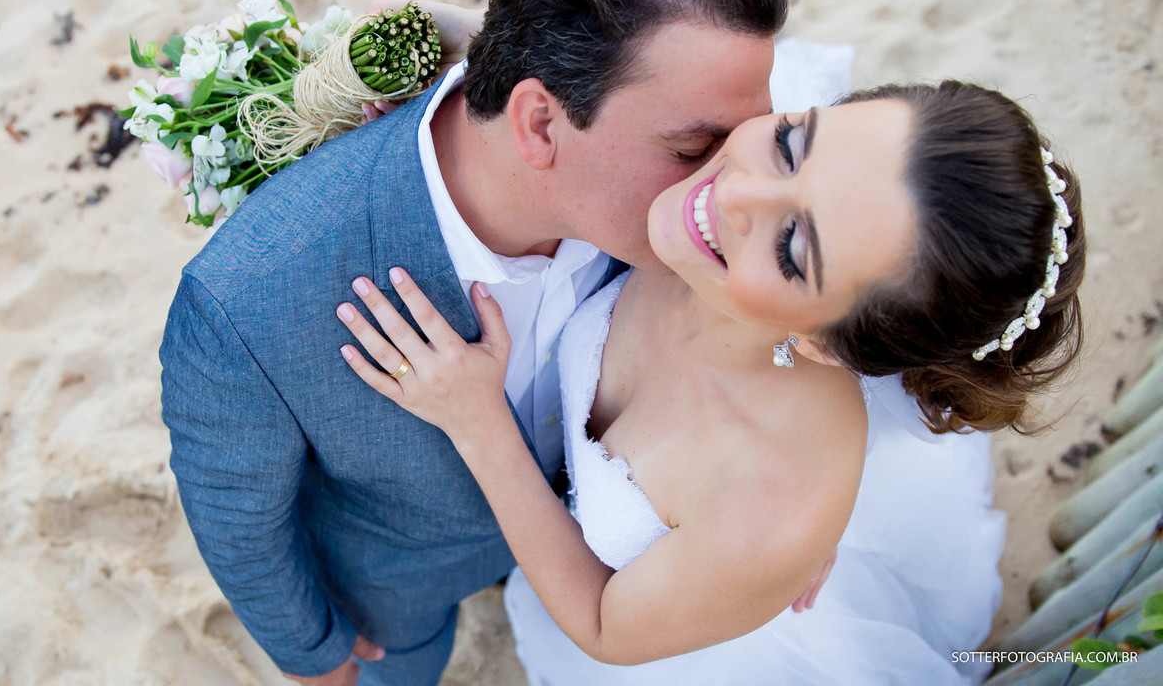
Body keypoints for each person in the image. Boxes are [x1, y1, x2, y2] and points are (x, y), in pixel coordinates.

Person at [158, 0, 788, 685]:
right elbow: (238, 520)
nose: (732, 185)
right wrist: (313, 655)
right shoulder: (247, 301)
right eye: (696, 146)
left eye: (751, 137)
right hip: (399, 596)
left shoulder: (672, 202)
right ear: (539, 125)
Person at [334, 81, 1085, 684]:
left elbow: (600, 626)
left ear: (824, 342)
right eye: (794, 143)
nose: (733, 195)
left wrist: (478, 423)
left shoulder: (769, 509)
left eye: (794, 246)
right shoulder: (718, 145)